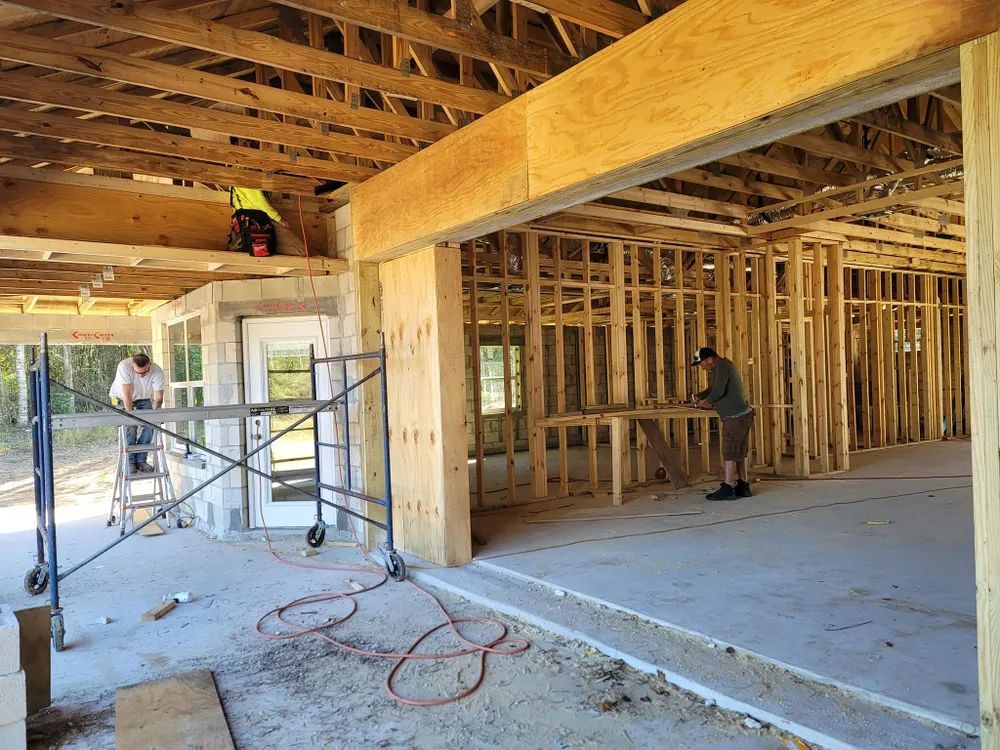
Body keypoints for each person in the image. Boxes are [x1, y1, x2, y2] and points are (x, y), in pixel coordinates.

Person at [690, 346, 754, 501]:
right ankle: (743, 486)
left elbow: (718, 391)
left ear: (710, 360)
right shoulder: (721, 367)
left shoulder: (723, 366)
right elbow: (714, 388)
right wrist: (700, 395)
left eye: (702, 364)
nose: (702, 368)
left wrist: (706, 402)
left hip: (735, 417)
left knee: (730, 451)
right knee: (738, 452)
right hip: (741, 416)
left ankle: (727, 487)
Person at [109, 353, 164, 473]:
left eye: (145, 372)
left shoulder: (157, 370)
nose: (142, 375)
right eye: (138, 372)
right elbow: (127, 395)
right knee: (130, 426)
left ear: (149, 365)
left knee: (151, 425)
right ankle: (130, 462)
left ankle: (141, 460)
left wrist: (157, 413)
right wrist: (130, 416)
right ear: (133, 365)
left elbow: (159, 397)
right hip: (122, 397)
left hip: (142, 397)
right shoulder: (124, 366)